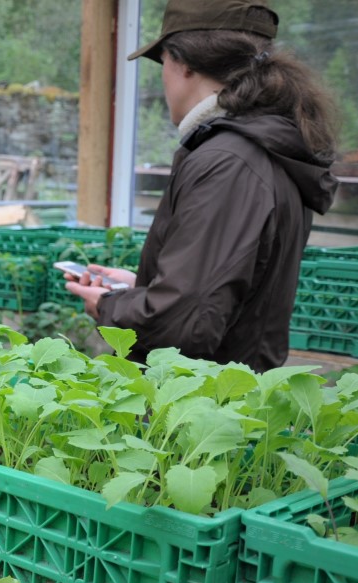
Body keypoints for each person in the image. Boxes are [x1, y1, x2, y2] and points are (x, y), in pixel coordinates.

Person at [64, 0, 338, 372]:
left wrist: (109, 305)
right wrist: (145, 287)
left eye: (162, 62)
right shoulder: (258, 150)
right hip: (225, 399)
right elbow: (222, 288)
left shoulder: (229, 163)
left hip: (195, 408)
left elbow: (185, 325)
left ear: (183, 63)